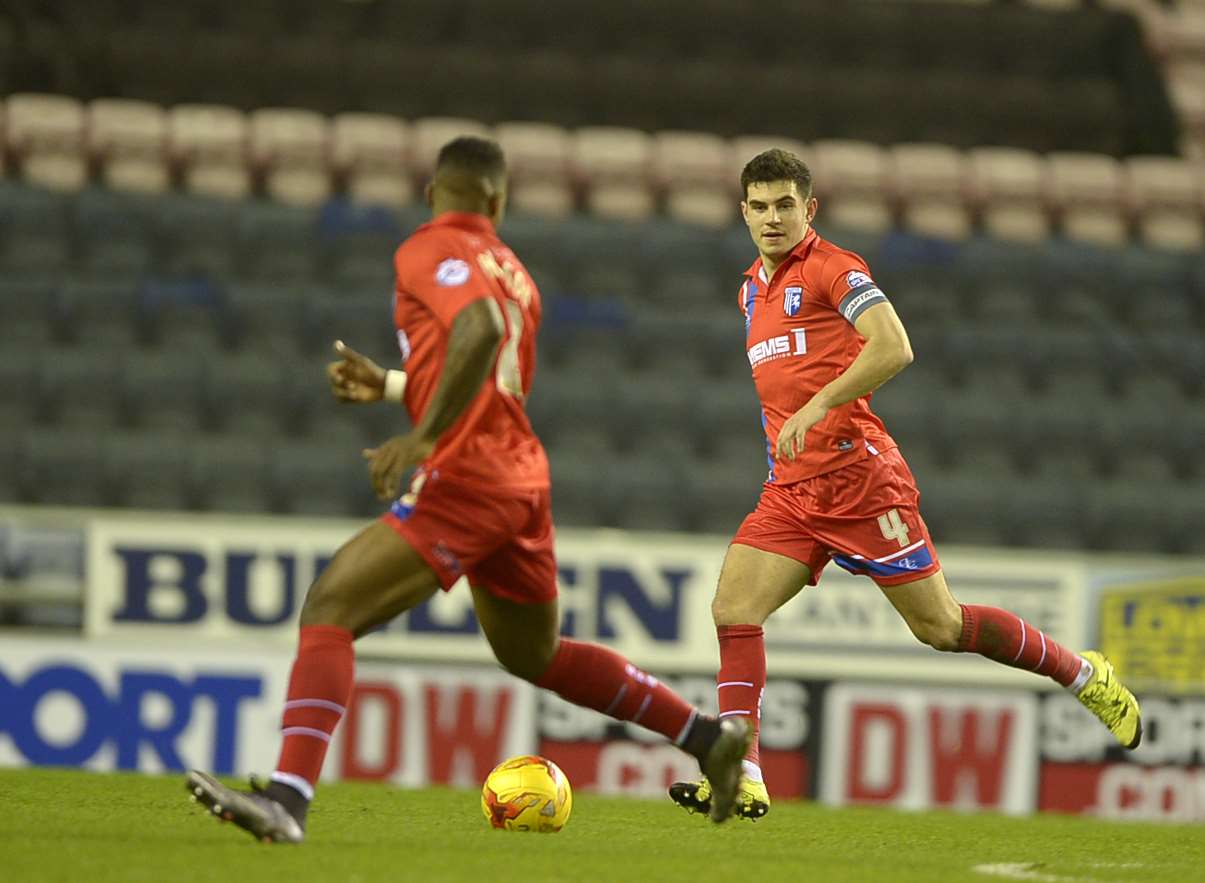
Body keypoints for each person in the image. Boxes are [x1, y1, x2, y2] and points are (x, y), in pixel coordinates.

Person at [185, 136, 751, 842]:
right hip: (520, 477)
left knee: (329, 609)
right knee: (532, 654)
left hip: (468, 474)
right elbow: (495, 380)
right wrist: (396, 386)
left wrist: (422, 438)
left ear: (434, 194)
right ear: (498, 199)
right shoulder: (516, 271)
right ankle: (705, 735)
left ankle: (289, 799)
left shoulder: (424, 247)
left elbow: (475, 332)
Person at [669, 148, 1142, 822]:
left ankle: (1081, 673)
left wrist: (817, 406)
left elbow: (893, 346)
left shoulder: (836, 267)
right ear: (742, 211)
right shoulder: (749, 289)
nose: (771, 217)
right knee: (732, 610)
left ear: (809, 208)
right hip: (792, 493)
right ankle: (741, 771)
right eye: (758, 205)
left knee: (942, 628)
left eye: (784, 204)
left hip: (863, 483)